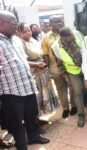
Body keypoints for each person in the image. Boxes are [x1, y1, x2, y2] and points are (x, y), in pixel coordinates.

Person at [0, 10, 50, 150]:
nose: (16, 26)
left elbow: (22, 61)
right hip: (12, 92)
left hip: (27, 86)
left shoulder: (16, 40)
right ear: (1, 23)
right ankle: (22, 146)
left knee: (31, 114)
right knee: (16, 122)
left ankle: (34, 136)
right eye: (13, 23)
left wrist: (35, 64)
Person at [17, 22, 59, 116]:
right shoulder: (20, 43)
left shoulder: (33, 40)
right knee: (37, 96)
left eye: (29, 31)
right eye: (25, 31)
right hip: (33, 73)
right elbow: (22, 61)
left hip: (42, 71)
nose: (28, 33)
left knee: (44, 94)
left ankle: (42, 114)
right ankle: (36, 118)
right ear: (19, 32)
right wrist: (36, 64)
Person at [41, 15, 77, 118]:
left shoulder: (68, 34)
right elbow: (45, 54)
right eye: (57, 22)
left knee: (72, 87)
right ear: (50, 24)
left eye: (61, 21)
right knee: (61, 88)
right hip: (55, 68)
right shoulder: (46, 38)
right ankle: (65, 108)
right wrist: (48, 69)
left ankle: (74, 105)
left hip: (69, 66)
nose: (60, 23)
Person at [52, 27, 85, 127]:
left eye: (72, 34)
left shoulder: (77, 34)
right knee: (77, 92)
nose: (72, 37)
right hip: (72, 71)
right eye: (69, 37)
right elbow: (59, 63)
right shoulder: (56, 46)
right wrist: (66, 77)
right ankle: (81, 115)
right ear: (63, 38)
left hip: (86, 68)